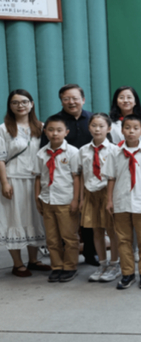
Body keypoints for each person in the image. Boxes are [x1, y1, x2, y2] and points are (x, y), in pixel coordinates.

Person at [41, 84, 98, 266]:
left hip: (91, 176)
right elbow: (45, 149)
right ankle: (65, 259)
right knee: (65, 222)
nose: (71, 102)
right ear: (61, 101)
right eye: (66, 99)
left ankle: (90, 253)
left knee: (88, 217)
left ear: (83, 99)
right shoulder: (55, 123)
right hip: (63, 178)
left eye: (75, 98)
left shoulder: (92, 119)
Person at [106, 115, 141, 290]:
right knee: (123, 240)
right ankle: (127, 274)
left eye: (135, 128)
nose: (131, 131)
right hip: (121, 202)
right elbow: (111, 178)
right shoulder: (114, 151)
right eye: (127, 128)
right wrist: (109, 200)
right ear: (122, 130)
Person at [0, 90, 50, 277]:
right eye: (15, 102)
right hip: (13, 180)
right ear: (10, 106)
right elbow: (0, 159)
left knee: (34, 219)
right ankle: (17, 264)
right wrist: (4, 183)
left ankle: (34, 260)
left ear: (31, 104)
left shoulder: (42, 127)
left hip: (36, 180)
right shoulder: (3, 129)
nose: (20, 105)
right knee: (15, 219)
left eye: (24, 101)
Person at [33, 114, 81, 283]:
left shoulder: (73, 152)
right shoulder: (41, 153)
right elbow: (38, 177)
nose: (55, 134)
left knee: (69, 236)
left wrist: (75, 200)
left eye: (59, 130)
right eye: (51, 130)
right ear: (45, 132)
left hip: (66, 200)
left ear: (66, 132)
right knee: (52, 238)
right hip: (47, 200)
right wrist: (37, 198)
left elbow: (76, 178)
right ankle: (57, 266)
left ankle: (70, 266)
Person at [79, 113, 121, 283]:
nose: (97, 129)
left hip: (108, 193)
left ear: (109, 129)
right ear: (89, 128)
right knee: (96, 231)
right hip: (91, 193)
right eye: (94, 125)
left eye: (101, 126)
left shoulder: (115, 150)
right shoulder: (83, 150)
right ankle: (102, 264)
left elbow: (118, 176)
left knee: (112, 231)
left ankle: (115, 264)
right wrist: (81, 198)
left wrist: (113, 198)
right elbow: (82, 175)